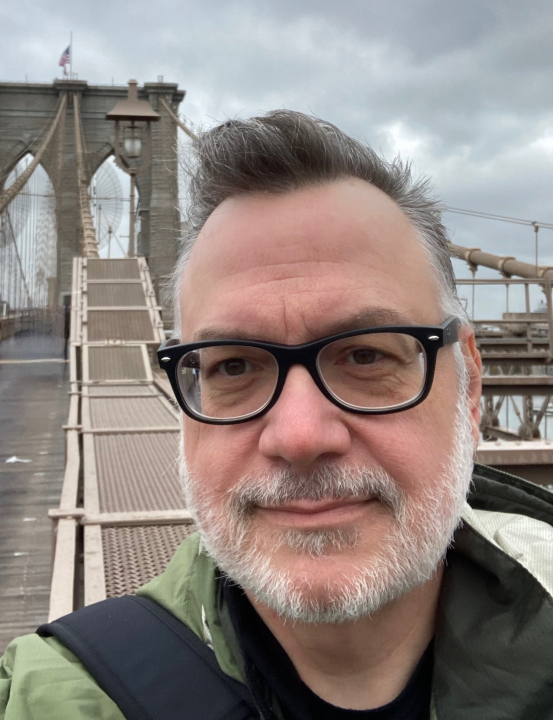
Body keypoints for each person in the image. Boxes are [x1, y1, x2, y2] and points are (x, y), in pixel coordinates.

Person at [1, 111, 552, 719]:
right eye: (233, 367)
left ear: (469, 384)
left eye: (366, 355)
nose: (298, 435)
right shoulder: (47, 697)